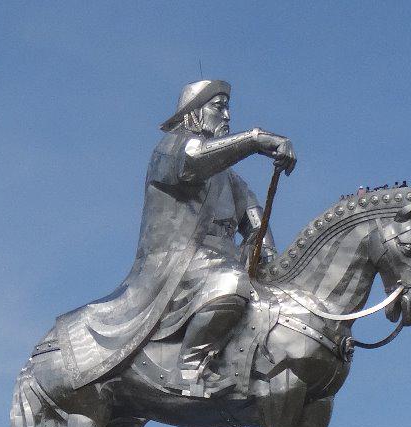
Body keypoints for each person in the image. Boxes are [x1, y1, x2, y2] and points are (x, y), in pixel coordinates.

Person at [55, 80, 296, 398]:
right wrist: (254, 139)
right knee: (230, 283)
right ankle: (189, 367)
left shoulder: (233, 181)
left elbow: (256, 224)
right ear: (194, 113)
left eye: (228, 108)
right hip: (179, 260)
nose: (226, 116)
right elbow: (194, 161)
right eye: (218, 107)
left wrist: (268, 256)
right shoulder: (171, 149)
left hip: (224, 261)